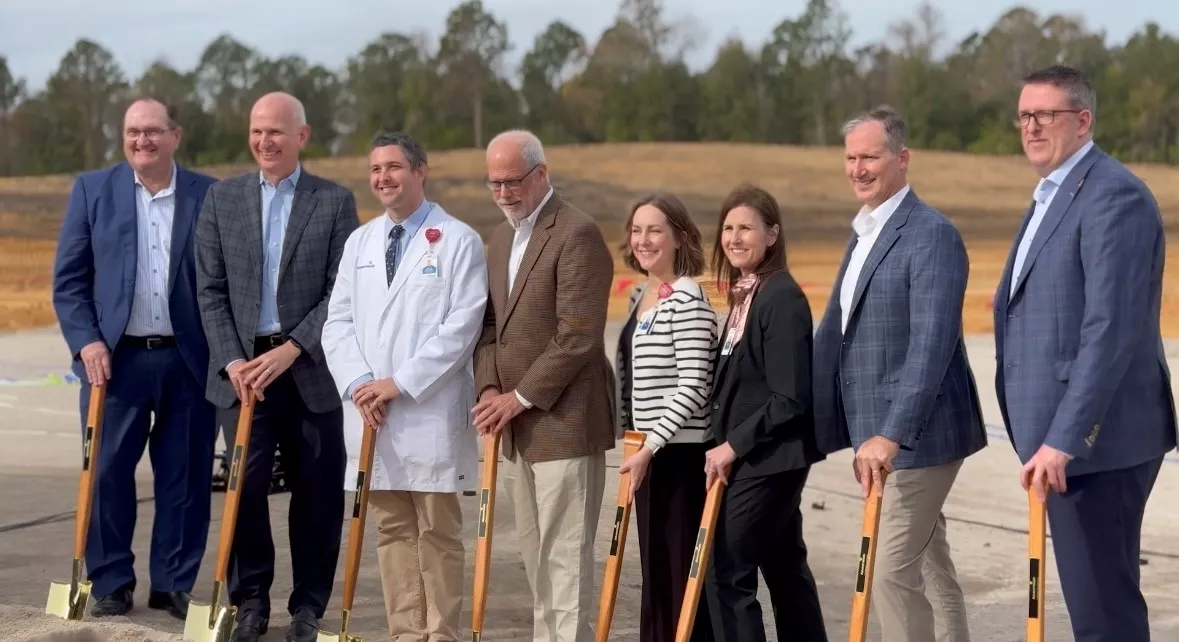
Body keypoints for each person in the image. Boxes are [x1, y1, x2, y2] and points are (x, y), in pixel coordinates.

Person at [994, 65, 1177, 642]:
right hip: (1063, 447)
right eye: (1024, 115)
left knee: (1105, 618)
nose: (1031, 126)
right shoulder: (1052, 194)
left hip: (1097, 448)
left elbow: (1111, 329)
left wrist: (1066, 437)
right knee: (1095, 609)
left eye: (1045, 114)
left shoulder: (1112, 195)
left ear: (1083, 120)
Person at [811, 105, 986, 642]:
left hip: (919, 437)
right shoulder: (864, 231)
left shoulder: (931, 234)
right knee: (931, 566)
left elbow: (931, 346)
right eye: (851, 157)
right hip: (878, 435)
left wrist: (890, 434)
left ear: (902, 158)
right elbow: (834, 333)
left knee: (888, 573)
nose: (858, 168)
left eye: (871, 156)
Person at [194, 91, 359, 642]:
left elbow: (341, 291)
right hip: (243, 378)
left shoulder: (333, 202)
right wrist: (235, 360)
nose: (265, 141)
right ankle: (251, 600)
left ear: (302, 137)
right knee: (245, 489)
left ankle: (308, 606)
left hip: (308, 371)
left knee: (317, 494)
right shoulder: (223, 199)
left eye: (277, 132)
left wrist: (292, 348)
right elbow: (209, 289)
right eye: (257, 131)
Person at [51, 97, 217, 620]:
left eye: (152, 131)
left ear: (175, 136)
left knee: (185, 478)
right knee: (105, 475)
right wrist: (87, 341)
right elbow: (70, 282)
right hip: (114, 363)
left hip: (188, 361)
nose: (141, 141)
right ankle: (111, 583)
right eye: (132, 132)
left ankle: (172, 583)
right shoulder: (92, 191)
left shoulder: (208, 194)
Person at [321, 131, 487, 641]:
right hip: (373, 412)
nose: (383, 178)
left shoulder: (458, 240)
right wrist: (359, 385)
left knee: (437, 532)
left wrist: (400, 384)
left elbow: (462, 326)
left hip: (427, 409)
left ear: (420, 171)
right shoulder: (361, 242)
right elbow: (337, 322)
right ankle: (405, 633)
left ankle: (440, 634)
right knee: (392, 532)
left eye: (393, 167)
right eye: (375, 170)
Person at [471, 129, 615, 642]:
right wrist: (489, 389)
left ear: (541, 175)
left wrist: (518, 397)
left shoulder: (577, 232)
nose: (505, 194)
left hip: (566, 424)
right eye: (495, 184)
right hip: (516, 431)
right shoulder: (499, 240)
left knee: (565, 560)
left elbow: (578, 335)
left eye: (513, 182)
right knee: (535, 560)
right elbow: (489, 326)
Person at [702, 184, 826, 642]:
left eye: (746, 228)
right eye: (728, 228)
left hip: (770, 458)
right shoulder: (745, 295)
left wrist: (730, 448)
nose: (734, 237)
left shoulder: (782, 297)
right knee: (785, 567)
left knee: (726, 572)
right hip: (759, 455)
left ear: (772, 234)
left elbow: (790, 395)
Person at [613, 193, 718, 642]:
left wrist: (651, 445)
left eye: (655, 230)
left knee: (679, 576)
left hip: (679, 456)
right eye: (637, 230)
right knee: (655, 574)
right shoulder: (647, 296)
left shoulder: (689, 298)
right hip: (649, 454)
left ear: (679, 237)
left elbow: (695, 385)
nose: (643, 240)